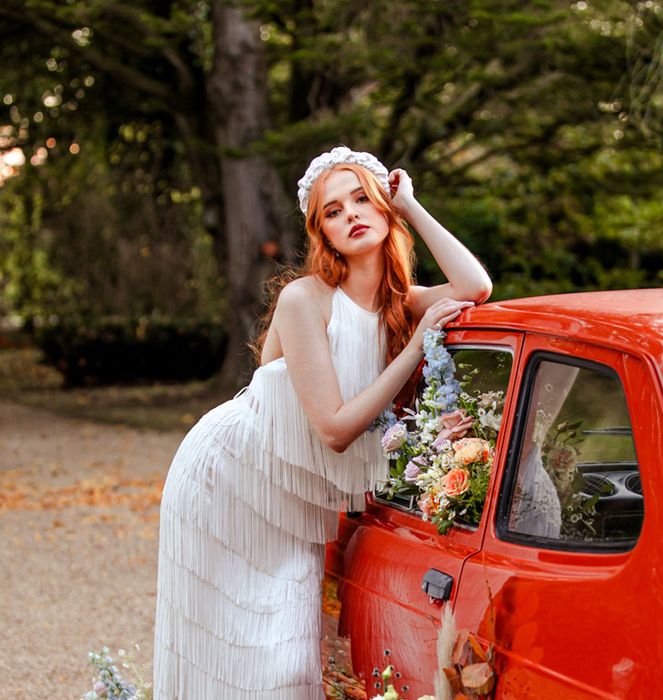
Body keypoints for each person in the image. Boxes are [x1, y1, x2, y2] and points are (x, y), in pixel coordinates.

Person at [152, 146, 492, 699]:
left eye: (363, 199)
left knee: (285, 662)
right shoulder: (305, 299)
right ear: (322, 233)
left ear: (385, 210)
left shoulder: (398, 303)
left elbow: (475, 287)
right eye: (333, 211)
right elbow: (334, 431)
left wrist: (413, 205)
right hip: (229, 479)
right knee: (226, 656)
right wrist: (415, 348)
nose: (351, 214)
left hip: (294, 496)